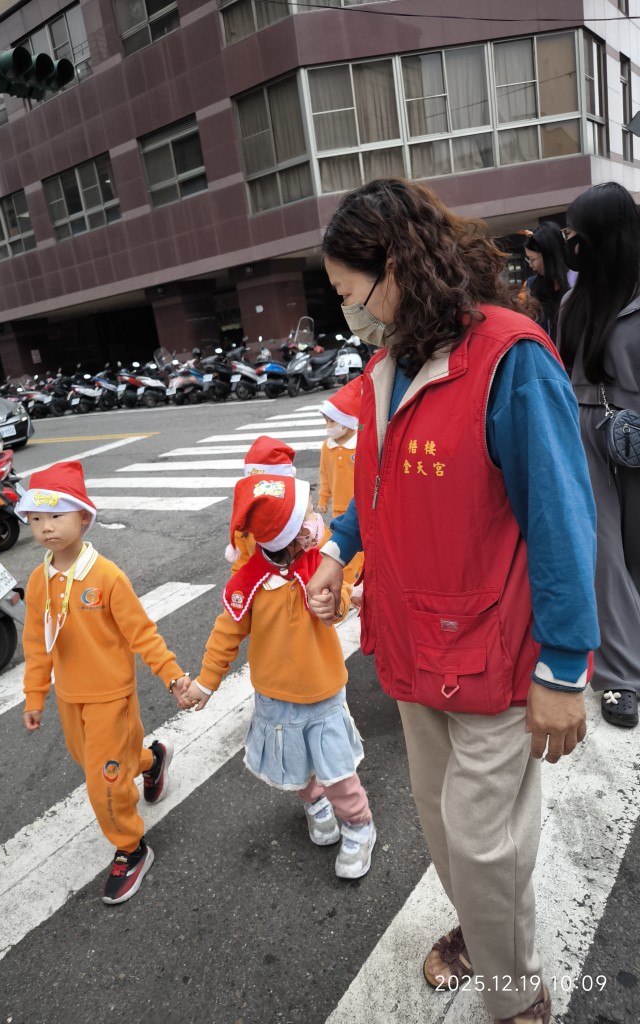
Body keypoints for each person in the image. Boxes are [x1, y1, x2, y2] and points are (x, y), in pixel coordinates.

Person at [306, 178, 599, 1024]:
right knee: (446, 833)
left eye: (350, 293)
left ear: (396, 266)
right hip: (411, 647)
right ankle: (482, 930)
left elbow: (561, 519)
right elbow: (377, 487)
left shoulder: (510, 359)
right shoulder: (388, 366)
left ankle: (518, 999)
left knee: (482, 844)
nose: (348, 314)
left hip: (492, 652)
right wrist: (337, 549)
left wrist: (564, 668)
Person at [184, 473, 376, 880]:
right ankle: (314, 803)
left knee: (338, 771)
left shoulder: (321, 562)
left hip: (324, 693)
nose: (316, 520)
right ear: (287, 535)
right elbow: (225, 634)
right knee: (298, 767)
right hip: (276, 700)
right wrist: (205, 682)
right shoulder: (248, 582)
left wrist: (336, 604)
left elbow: (342, 594)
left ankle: (359, 824)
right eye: (306, 517)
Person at [17, 461, 192, 905]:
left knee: (105, 780)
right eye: (35, 518)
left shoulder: (107, 576)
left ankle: (131, 848)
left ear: (83, 517)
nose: (45, 527)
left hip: (111, 697)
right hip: (69, 697)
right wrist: (35, 695)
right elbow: (36, 642)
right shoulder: (39, 581)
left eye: (55, 515)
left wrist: (172, 676)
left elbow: (142, 634)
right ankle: (151, 760)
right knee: (95, 761)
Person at [558, 181, 640, 729]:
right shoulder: (573, 301)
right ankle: (620, 676)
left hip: (636, 430)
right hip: (584, 430)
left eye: (577, 233)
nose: (571, 243)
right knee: (602, 552)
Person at [317, 375, 364, 592]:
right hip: (338, 507)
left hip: (358, 508)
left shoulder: (360, 445)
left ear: (345, 423)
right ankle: (347, 589)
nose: (328, 426)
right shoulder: (327, 446)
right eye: (326, 421)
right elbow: (324, 474)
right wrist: (323, 498)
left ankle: (360, 585)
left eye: (331, 421)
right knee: (342, 553)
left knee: (362, 552)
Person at [225, 435, 297, 572]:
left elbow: (325, 560)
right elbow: (241, 566)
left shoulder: (301, 518)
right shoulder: (245, 522)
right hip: (261, 584)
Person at [522, 222, 575, 339]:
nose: (531, 265)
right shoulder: (531, 285)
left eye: (532, 259)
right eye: (528, 260)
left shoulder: (576, 282)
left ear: (548, 256)